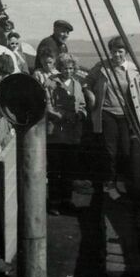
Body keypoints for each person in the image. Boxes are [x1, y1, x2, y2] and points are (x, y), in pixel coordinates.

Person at [85, 36, 140, 200]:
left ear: (125, 52)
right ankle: (110, 185)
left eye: (120, 51)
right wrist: (90, 95)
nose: (116, 55)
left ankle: (121, 182)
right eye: (113, 51)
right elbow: (87, 82)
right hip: (107, 113)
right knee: (110, 151)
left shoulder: (133, 68)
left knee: (126, 152)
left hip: (127, 115)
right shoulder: (101, 67)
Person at [45, 54, 91, 214]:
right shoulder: (50, 82)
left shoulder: (77, 84)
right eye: (65, 68)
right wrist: (63, 116)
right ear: (60, 68)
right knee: (54, 170)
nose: (68, 71)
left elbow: (82, 105)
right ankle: (54, 202)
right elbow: (48, 106)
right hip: (55, 133)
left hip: (72, 134)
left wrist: (81, 115)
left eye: (71, 68)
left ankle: (66, 200)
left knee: (68, 169)